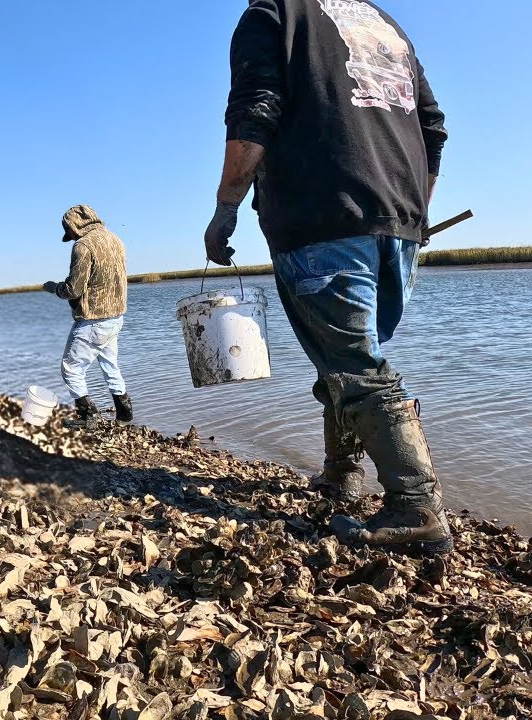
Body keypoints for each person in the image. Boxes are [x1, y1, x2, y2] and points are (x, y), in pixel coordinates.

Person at [204, 1, 451, 553]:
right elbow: (433, 129)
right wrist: (416, 211)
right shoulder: (383, 24)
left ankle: (416, 507)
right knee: (341, 356)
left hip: (321, 216)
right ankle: (342, 477)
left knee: (354, 364)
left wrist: (226, 206)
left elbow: (255, 109)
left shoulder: (272, 14)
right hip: (400, 222)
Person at [42, 204, 132, 426]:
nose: (70, 238)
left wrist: (53, 287)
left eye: (69, 232)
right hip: (116, 317)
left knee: (70, 368)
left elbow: (73, 289)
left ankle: (87, 416)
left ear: (74, 226)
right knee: (110, 364)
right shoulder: (116, 240)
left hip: (93, 319)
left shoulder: (83, 246)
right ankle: (125, 414)